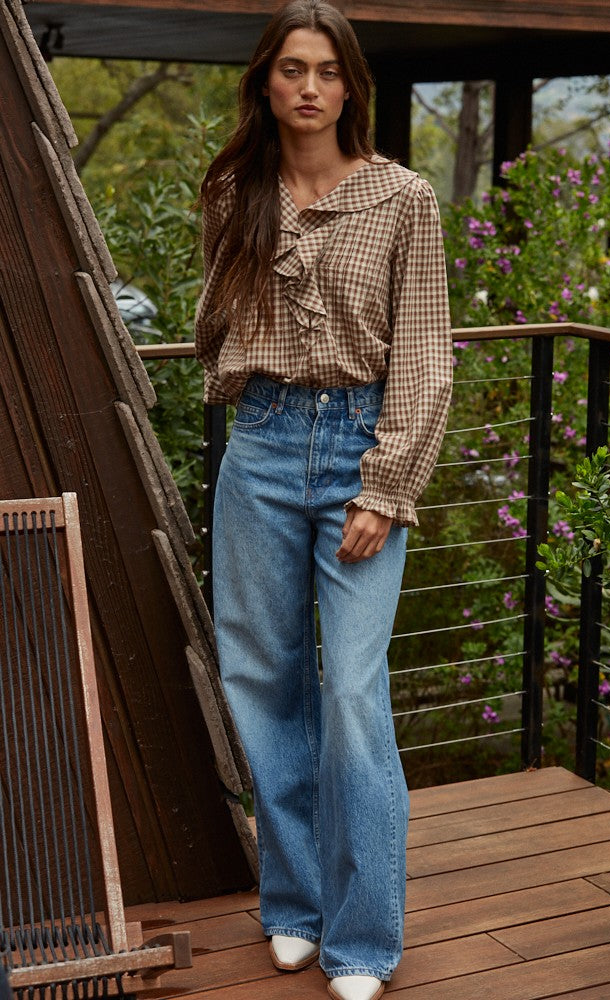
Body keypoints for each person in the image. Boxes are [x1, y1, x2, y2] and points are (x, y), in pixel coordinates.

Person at [195, 3, 452, 997]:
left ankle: (362, 937)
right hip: (257, 448)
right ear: (266, 82)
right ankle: (294, 904)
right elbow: (217, 312)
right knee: (262, 685)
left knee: (349, 693)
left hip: (357, 454)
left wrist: (386, 485)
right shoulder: (233, 189)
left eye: (328, 70)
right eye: (291, 68)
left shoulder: (403, 199)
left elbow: (425, 358)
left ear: (351, 86)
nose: (309, 85)